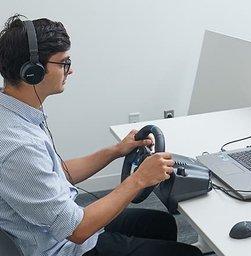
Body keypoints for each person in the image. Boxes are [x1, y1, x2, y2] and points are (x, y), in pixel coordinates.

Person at [0, 14, 203, 256]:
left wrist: (115, 151)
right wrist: (138, 180)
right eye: (64, 62)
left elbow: (57, 174)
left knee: (161, 224)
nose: (70, 70)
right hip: (62, 246)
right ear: (32, 72)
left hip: (59, 227)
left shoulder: (12, 113)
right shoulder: (18, 147)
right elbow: (77, 229)